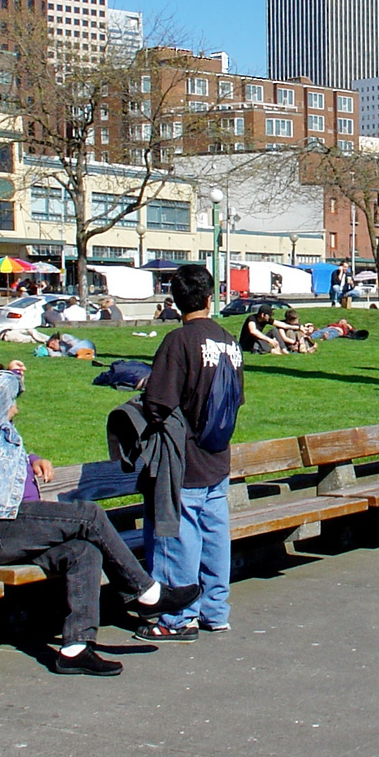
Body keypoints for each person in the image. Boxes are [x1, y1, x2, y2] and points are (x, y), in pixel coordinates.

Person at [0, 361, 197, 672]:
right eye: (4, 392)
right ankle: (145, 592)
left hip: (16, 528)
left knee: (83, 551)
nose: (13, 399)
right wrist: (8, 373)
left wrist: (34, 459)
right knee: (89, 515)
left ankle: (75, 649)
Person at [137, 264, 244, 641]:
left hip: (183, 461)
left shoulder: (178, 342)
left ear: (176, 300)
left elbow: (159, 403)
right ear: (209, 297)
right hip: (218, 457)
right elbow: (237, 399)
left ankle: (177, 617)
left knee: (175, 539)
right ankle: (216, 610)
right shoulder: (229, 341)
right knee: (215, 538)